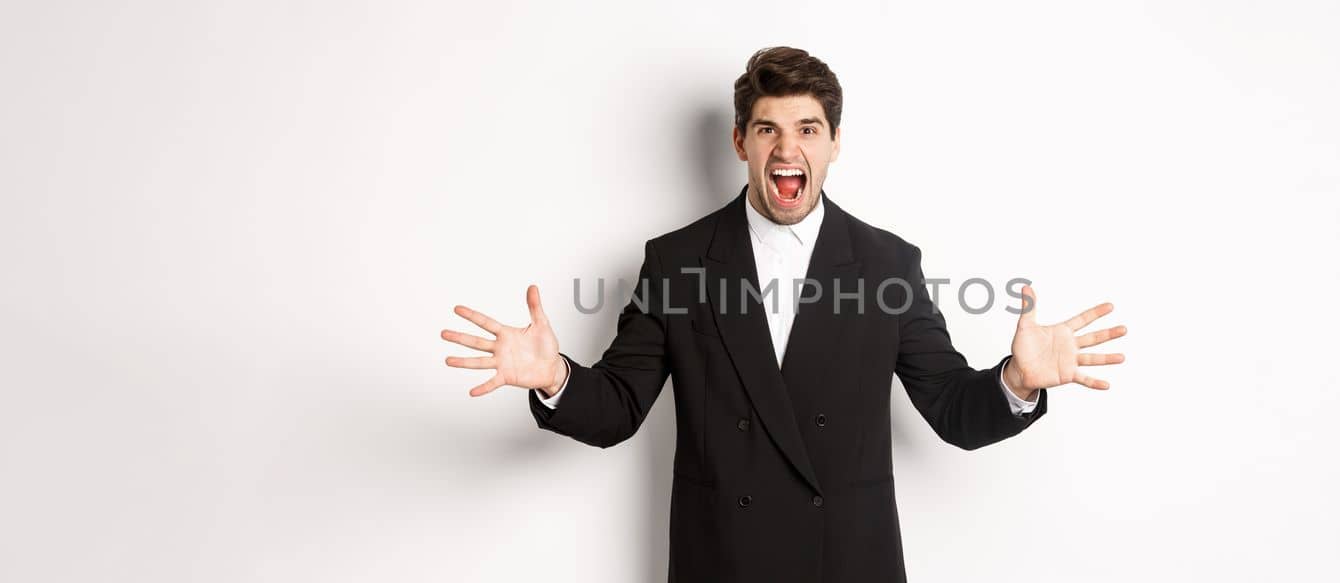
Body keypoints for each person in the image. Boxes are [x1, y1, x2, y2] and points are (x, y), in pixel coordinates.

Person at [441, 46, 1128, 583]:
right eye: (768, 129)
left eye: (807, 128)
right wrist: (555, 375)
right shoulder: (678, 261)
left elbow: (952, 407)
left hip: (848, 567)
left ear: (833, 143)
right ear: (741, 143)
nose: (787, 147)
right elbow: (618, 406)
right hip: (724, 568)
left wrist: (1017, 380)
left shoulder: (887, 265)